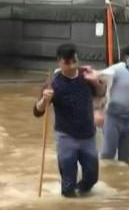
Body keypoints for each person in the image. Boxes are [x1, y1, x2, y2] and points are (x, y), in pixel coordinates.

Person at [33, 44, 106, 198]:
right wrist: (45, 100)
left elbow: (102, 92)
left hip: (87, 136)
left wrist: (95, 81)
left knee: (92, 178)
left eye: (74, 61)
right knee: (68, 183)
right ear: (59, 62)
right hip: (66, 137)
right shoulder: (53, 84)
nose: (72, 66)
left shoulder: (86, 76)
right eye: (67, 63)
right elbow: (38, 112)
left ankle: (82, 199)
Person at [94, 43, 129, 166]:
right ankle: (103, 180)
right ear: (127, 58)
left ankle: (121, 183)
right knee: (108, 155)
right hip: (112, 118)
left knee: (124, 160)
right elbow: (97, 78)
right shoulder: (118, 70)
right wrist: (97, 109)